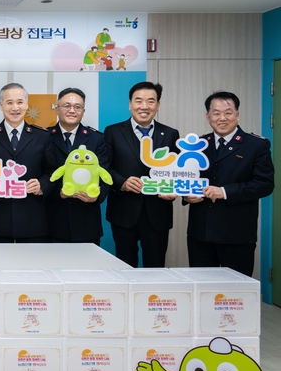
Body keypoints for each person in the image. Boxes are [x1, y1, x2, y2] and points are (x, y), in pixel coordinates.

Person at [184, 91, 274, 276]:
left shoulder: (256, 145)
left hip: (237, 234)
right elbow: (186, 178)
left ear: (237, 114)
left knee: (236, 289)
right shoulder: (198, 145)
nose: (222, 118)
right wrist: (186, 195)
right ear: (208, 117)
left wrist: (224, 192)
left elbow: (264, 184)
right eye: (216, 113)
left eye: (228, 112)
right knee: (202, 286)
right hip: (200, 233)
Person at [104, 81, 179, 267]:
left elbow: (177, 171)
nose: (144, 106)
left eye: (150, 101)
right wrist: (122, 182)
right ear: (130, 104)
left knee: (156, 267)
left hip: (158, 212)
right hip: (123, 211)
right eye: (138, 101)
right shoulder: (113, 132)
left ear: (158, 105)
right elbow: (104, 167)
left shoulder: (170, 134)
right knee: (125, 266)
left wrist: (174, 190)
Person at [0, 83, 55, 243]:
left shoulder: (42, 136)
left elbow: (52, 171)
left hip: (33, 220)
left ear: (27, 104)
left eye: (20, 102)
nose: (15, 107)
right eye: (9, 102)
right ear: (1, 105)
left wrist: (41, 185)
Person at [46, 87, 109, 245]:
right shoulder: (44, 137)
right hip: (52, 221)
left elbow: (104, 173)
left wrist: (97, 197)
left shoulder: (96, 138)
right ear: (57, 109)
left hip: (86, 222)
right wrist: (58, 193)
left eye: (77, 107)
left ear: (83, 111)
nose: (72, 110)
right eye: (67, 106)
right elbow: (41, 173)